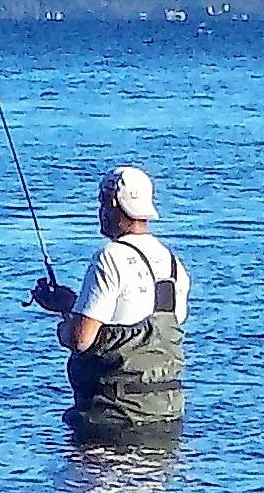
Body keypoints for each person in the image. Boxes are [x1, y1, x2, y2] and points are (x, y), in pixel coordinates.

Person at [29, 166, 190, 438]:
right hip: (165, 418)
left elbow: (81, 339)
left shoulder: (109, 256)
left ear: (112, 205)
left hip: (112, 419)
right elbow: (139, 317)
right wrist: (70, 305)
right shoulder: (173, 263)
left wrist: (63, 327)